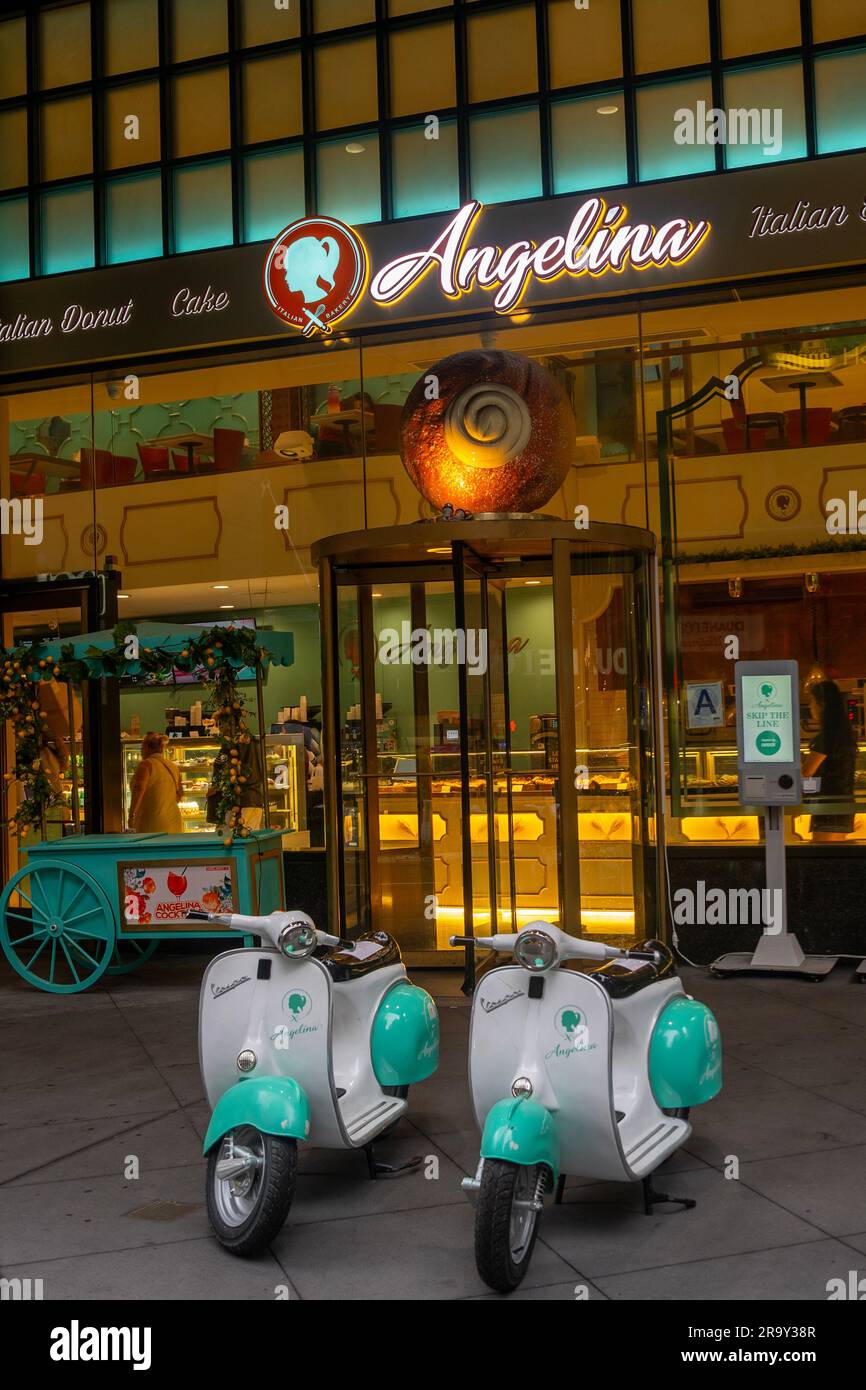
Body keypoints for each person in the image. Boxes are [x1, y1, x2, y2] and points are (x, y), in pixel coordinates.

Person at [802, 680, 857, 842]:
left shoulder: (826, 738)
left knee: (821, 855)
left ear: (822, 704)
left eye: (812, 701)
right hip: (843, 804)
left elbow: (806, 773)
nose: (810, 706)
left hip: (829, 807)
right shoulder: (844, 735)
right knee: (834, 856)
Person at [206, 722, 265, 835]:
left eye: (221, 724)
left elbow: (234, 774)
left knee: (240, 841)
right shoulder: (242, 741)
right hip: (246, 802)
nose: (219, 728)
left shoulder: (239, 742)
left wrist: (217, 787)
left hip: (243, 803)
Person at [128, 732, 183, 833]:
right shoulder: (173, 766)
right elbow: (179, 795)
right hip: (173, 821)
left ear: (147, 748)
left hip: (153, 821)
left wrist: (132, 816)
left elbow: (138, 790)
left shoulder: (146, 765)